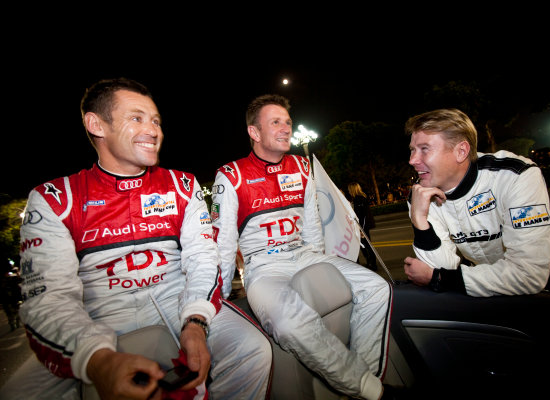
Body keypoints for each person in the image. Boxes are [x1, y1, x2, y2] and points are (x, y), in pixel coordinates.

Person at [8, 78, 272, 399]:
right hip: (98, 318)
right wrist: (98, 359)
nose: (153, 130)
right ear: (96, 125)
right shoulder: (54, 198)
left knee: (254, 349)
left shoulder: (181, 184)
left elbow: (204, 260)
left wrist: (196, 322)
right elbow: (49, 298)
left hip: (180, 302)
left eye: (156, 121)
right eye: (137, 118)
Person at [211, 94, 393, 400]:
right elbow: (224, 242)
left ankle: (364, 374)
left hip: (305, 254)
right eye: (276, 122)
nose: (286, 129)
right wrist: (221, 294)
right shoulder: (230, 175)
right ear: (254, 132)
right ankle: (368, 390)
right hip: (264, 267)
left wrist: (319, 260)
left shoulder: (300, 165)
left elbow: (312, 224)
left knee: (378, 288)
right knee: (289, 322)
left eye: (288, 122)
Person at [403, 108, 550, 297]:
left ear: (461, 151)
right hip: (478, 292)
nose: (412, 160)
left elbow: (528, 275)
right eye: (412, 150)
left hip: (544, 294)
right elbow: (440, 266)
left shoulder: (515, 175)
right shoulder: (419, 194)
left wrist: (440, 279)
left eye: (424, 149)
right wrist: (419, 220)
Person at [347, 182, 378, 271]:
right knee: (363, 245)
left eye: (349, 189)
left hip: (363, 226)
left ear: (353, 189)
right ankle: (370, 262)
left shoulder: (359, 199)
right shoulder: (361, 198)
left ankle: (373, 264)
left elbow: (363, 216)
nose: (348, 191)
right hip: (362, 226)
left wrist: (361, 229)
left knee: (366, 246)